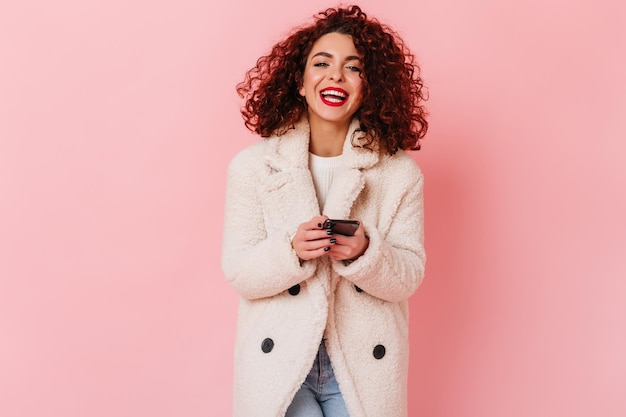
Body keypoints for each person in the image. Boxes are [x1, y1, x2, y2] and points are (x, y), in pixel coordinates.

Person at [221, 4, 428, 417]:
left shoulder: (399, 172)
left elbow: (409, 275)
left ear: (369, 88)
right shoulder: (253, 167)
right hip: (281, 361)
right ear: (299, 81)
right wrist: (291, 250)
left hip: (362, 362)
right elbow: (240, 272)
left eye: (354, 67)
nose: (336, 75)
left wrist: (368, 252)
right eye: (322, 62)